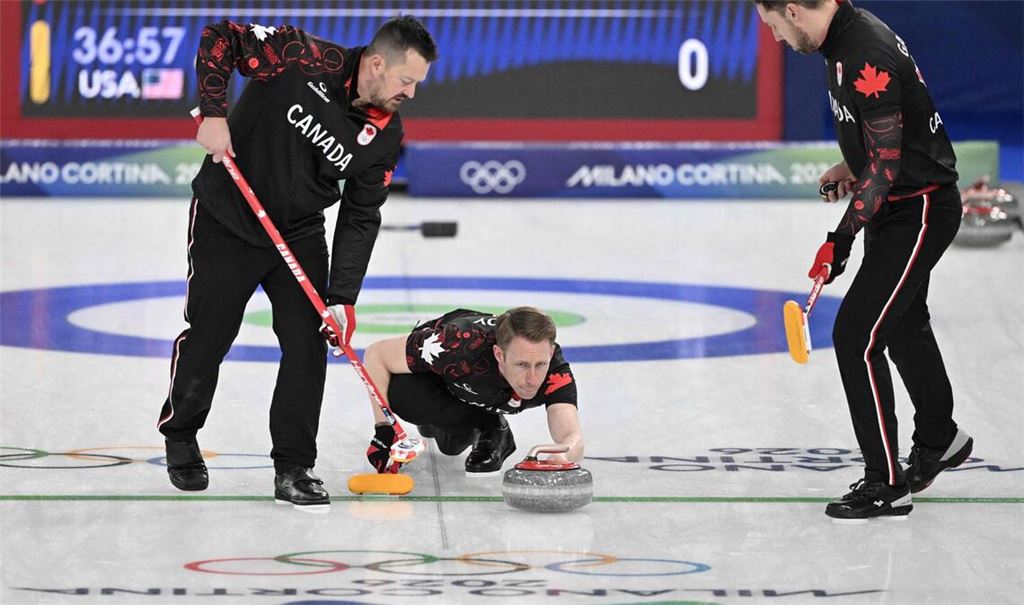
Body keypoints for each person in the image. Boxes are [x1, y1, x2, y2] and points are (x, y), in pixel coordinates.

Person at [156, 17, 438, 512]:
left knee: (309, 345)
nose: (411, 93)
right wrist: (214, 112)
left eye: (416, 84)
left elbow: (360, 214)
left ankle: (293, 466)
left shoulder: (385, 134)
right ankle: (181, 434)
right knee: (211, 333)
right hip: (228, 216)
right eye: (406, 80)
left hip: (299, 234)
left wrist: (343, 297)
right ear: (376, 64)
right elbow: (219, 37)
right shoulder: (299, 56)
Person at [754, 0, 972, 520]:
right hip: (899, 204)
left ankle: (886, 482)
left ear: (793, 10)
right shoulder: (840, 39)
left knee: (856, 335)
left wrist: (840, 239)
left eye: (776, 28)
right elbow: (885, 142)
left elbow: (890, 167)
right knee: (902, 323)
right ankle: (940, 436)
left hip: (917, 210)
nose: (779, 41)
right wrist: (849, 165)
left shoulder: (863, 52)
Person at [360, 307, 584, 475]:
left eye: (540, 365)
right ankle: (486, 425)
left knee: (450, 446)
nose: (532, 379)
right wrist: (384, 429)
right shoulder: (457, 344)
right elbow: (376, 354)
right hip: (443, 383)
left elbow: (571, 436)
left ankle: (489, 427)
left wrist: (563, 456)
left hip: (476, 392)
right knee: (404, 394)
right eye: (521, 365)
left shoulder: (555, 370)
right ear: (499, 354)